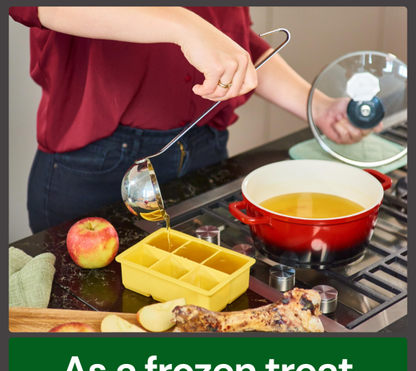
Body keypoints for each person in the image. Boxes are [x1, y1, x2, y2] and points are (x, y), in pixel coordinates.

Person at [9, 6, 382, 234]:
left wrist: (316, 106)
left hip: (203, 149)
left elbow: (230, 44)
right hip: (97, 165)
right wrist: (184, 24)